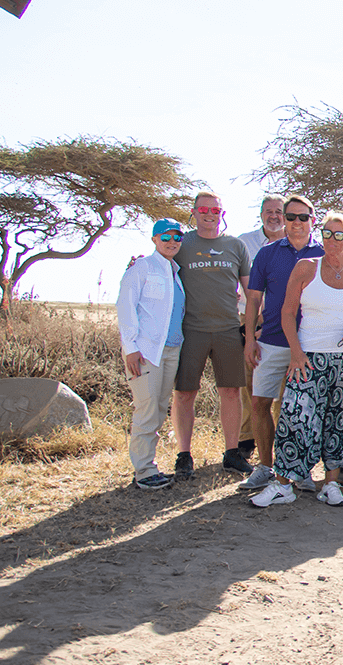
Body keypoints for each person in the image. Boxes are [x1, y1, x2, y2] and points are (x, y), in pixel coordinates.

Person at [248, 211, 343, 508]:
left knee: (341, 422)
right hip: (308, 357)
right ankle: (283, 485)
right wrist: (295, 352)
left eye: (339, 235)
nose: (332, 240)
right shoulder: (306, 268)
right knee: (295, 419)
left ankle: (330, 484)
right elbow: (286, 311)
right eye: (327, 233)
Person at [240, 194, 323, 493]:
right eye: (291, 217)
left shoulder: (325, 254)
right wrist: (250, 339)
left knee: (302, 410)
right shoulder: (267, 253)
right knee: (260, 402)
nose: (296, 223)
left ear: (313, 219)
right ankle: (265, 467)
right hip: (272, 341)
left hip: (311, 344)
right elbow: (253, 299)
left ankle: (300, 470)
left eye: (303, 217)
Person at [173, 190, 252, 479]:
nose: (209, 214)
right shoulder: (181, 243)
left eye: (215, 210)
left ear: (222, 214)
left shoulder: (236, 246)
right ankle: (183, 455)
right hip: (190, 330)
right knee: (184, 393)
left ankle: (232, 453)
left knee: (231, 391)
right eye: (203, 209)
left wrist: (254, 325)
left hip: (228, 329)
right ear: (193, 212)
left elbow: (249, 291)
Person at [116, 219, 188, 490]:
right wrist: (130, 348)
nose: (172, 241)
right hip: (146, 351)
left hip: (171, 349)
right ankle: (144, 471)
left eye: (177, 237)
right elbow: (125, 306)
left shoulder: (175, 271)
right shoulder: (142, 267)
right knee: (146, 410)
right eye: (166, 236)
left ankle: (149, 465)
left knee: (158, 409)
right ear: (155, 239)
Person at [233, 194, 287, 462]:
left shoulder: (296, 244)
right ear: (261, 214)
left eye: (279, 211)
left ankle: (279, 445)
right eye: (269, 211)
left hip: (283, 323)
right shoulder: (245, 242)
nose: (274, 216)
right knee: (250, 383)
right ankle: (246, 439)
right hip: (250, 320)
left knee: (283, 390)